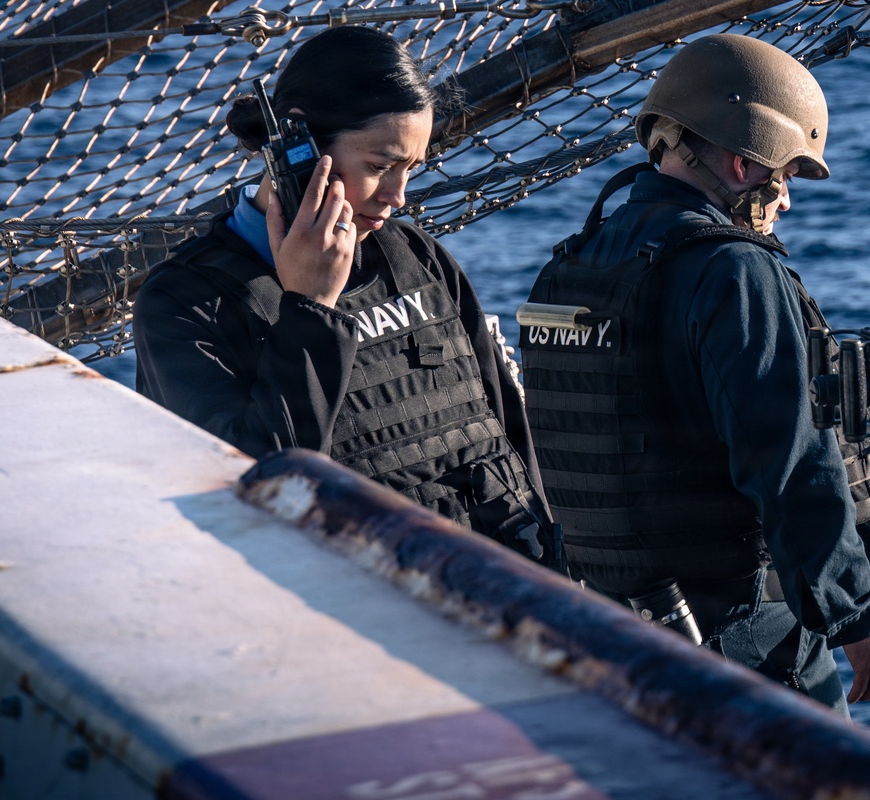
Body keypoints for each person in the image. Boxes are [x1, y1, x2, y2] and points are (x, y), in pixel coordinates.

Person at [519, 34, 870, 713]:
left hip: (611, 643)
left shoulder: (571, 267)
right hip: (742, 643)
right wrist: (856, 615)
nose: (785, 200)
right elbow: (790, 461)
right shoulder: (734, 270)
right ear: (743, 161)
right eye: (784, 175)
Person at [134, 26, 565, 573]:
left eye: (410, 168)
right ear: (299, 148)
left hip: (510, 598)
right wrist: (310, 306)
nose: (398, 196)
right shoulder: (184, 303)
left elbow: (508, 433)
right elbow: (255, 494)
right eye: (381, 166)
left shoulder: (416, 257)